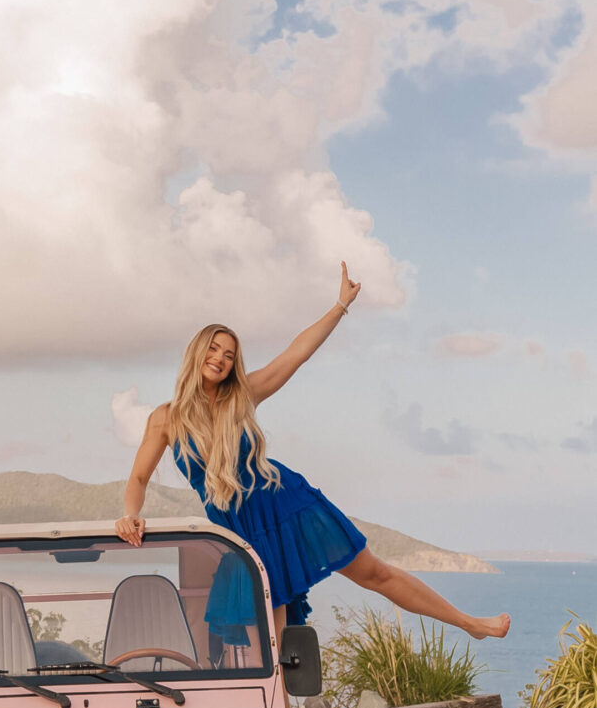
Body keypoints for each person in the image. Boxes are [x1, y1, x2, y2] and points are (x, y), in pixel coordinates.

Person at [115, 262, 511, 650]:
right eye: (214, 349)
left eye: (230, 354)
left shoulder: (242, 397)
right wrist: (131, 513)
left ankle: (470, 623)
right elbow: (138, 479)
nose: (220, 358)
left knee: (373, 572)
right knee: (271, 644)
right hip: (239, 532)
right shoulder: (165, 419)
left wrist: (340, 306)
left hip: (286, 506)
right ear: (197, 351)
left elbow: (295, 354)